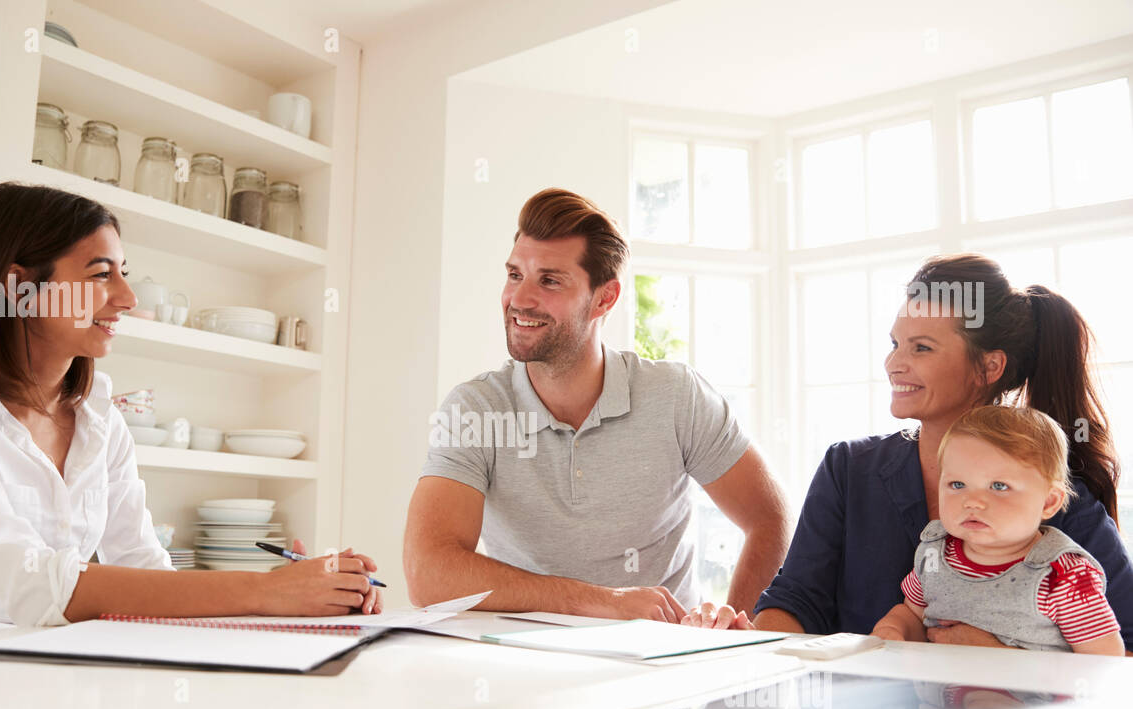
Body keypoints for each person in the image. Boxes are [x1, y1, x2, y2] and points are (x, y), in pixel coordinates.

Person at [0, 183, 381, 635]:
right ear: (18, 287)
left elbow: (143, 570)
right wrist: (268, 590)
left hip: (39, 671)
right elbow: (29, 582)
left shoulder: (100, 418)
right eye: (101, 274)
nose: (127, 298)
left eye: (123, 273)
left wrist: (308, 599)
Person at [687, 253, 1132, 650]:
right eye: (895, 343)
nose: (894, 363)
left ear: (989, 367)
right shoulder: (847, 469)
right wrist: (749, 648)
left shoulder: (1054, 497)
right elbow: (799, 602)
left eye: (921, 347)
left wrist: (1001, 658)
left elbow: (1124, 649)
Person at [403, 187, 790, 622]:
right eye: (515, 275)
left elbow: (768, 518)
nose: (520, 299)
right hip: (521, 666)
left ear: (604, 298)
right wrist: (605, 601)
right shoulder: (475, 409)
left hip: (659, 665)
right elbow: (427, 571)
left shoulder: (677, 395)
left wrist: (731, 633)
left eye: (549, 280)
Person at [872, 405, 1123, 655]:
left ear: (1048, 502)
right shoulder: (934, 552)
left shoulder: (1065, 577)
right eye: (957, 484)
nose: (972, 501)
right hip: (935, 693)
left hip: (1035, 693)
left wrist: (999, 657)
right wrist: (894, 630)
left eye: (999, 486)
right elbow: (914, 614)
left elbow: (1103, 665)